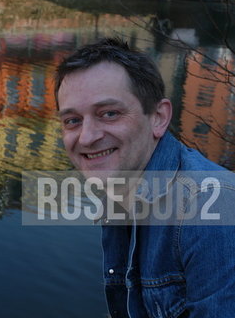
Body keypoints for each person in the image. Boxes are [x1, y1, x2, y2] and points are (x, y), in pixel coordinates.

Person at [55, 37, 235, 317]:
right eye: (72, 120)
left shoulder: (210, 207)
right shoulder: (123, 186)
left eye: (109, 113)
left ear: (159, 117)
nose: (87, 137)